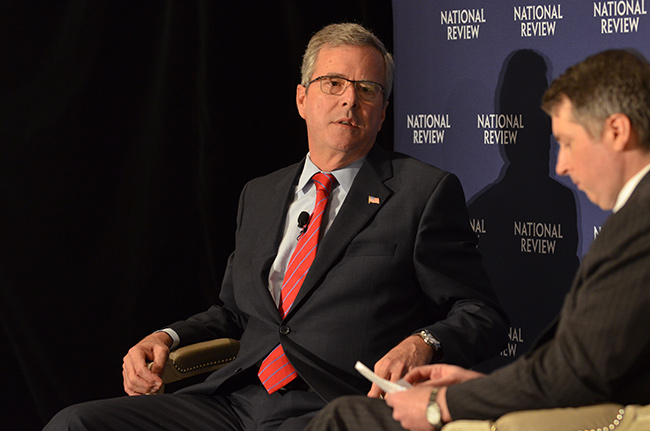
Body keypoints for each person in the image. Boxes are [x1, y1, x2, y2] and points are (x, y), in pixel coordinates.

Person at [43, 23, 507, 431]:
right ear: (302, 98)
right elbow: (233, 313)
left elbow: (481, 314)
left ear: (383, 111)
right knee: (76, 423)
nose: (350, 99)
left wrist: (425, 341)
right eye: (333, 83)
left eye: (368, 89)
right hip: (234, 402)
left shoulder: (422, 192)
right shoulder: (260, 194)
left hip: (335, 408)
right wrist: (167, 337)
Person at [304, 48, 650, 431]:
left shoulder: (641, 224)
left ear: (617, 131)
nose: (561, 165)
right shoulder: (634, 217)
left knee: (344, 419)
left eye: (567, 142)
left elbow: (578, 370)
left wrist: (443, 403)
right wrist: (479, 388)